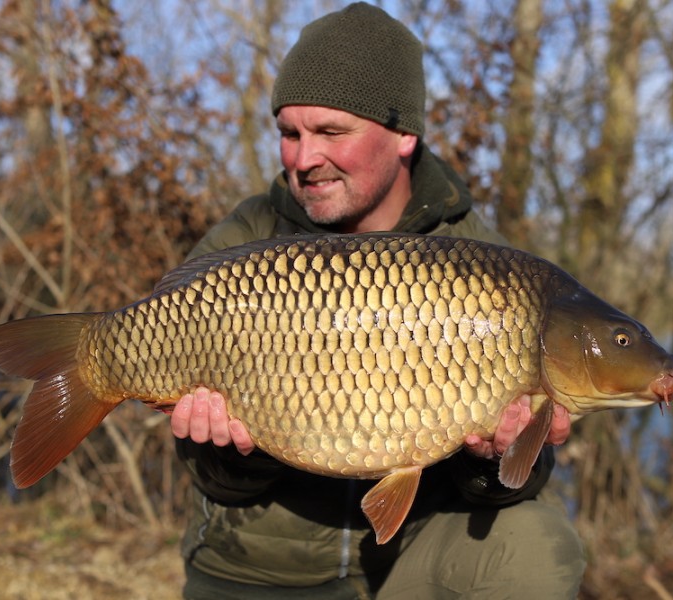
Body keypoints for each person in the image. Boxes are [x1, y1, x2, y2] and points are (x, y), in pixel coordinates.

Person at [170, 4, 585, 598]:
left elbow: (517, 484)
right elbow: (220, 484)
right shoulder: (246, 245)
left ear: (405, 136)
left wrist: (491, 458)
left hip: (410, 560)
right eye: (290, 134)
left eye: (332, 132)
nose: (303, 159)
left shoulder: (488, 268)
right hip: (257, 568)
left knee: (536, 545)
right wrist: (233, 451)